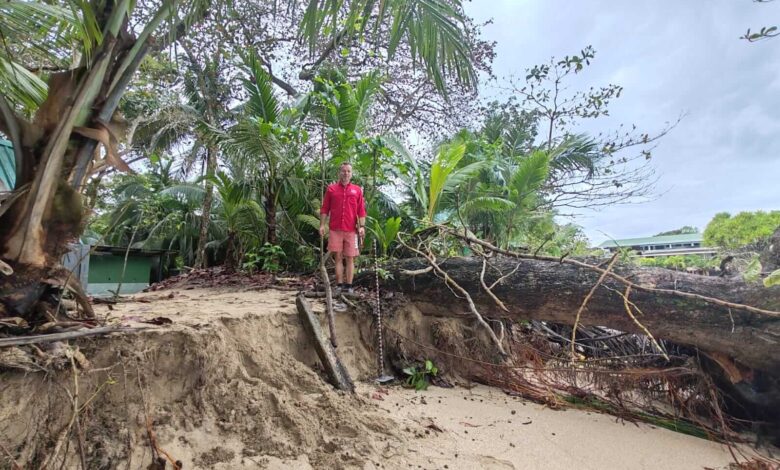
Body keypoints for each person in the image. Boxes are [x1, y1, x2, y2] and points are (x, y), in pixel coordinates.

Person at [319, 162, 366, 294]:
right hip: (335, 229)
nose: (346, 173)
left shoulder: (357, 190)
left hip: (352, 231)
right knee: (338, 257)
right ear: (339, 173)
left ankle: (349, 286)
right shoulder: (331, 189)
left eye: (348, 171)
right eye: (343, 171)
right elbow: (324, 209)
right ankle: (339, 285)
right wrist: (322, 225)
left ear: (351, 174)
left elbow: (361, 210)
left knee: (350, 258)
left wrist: (362, 227)